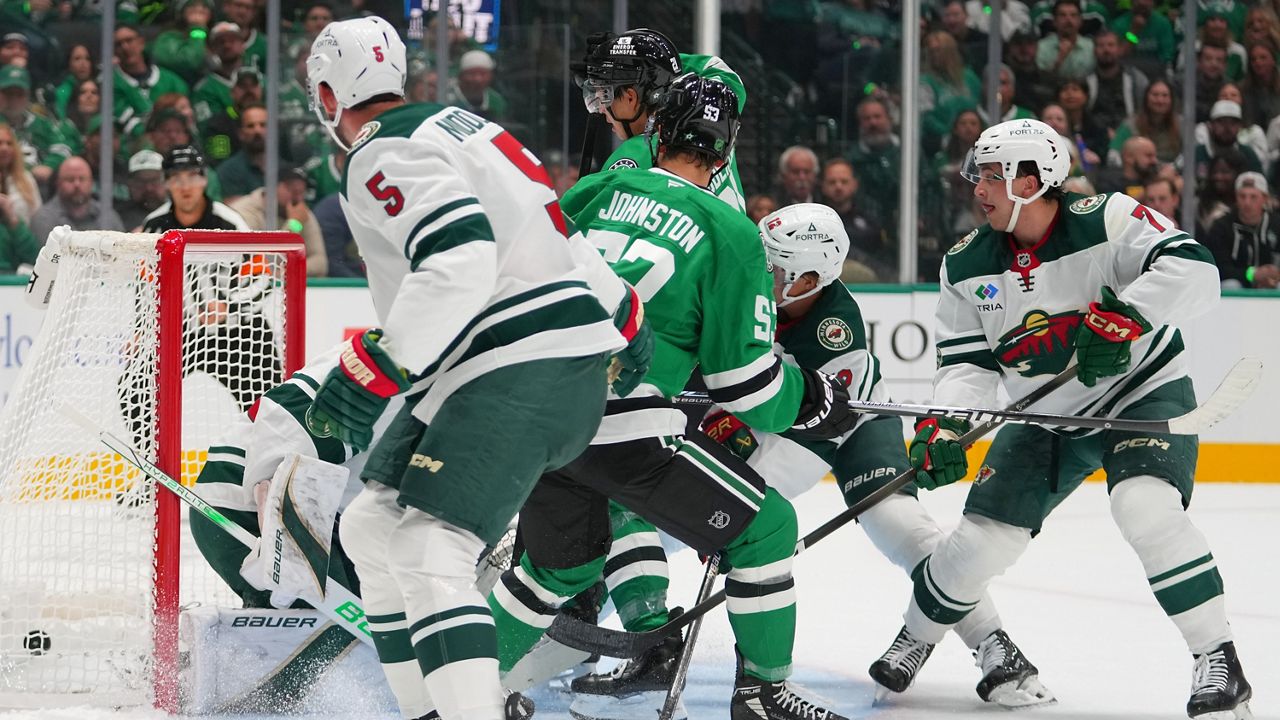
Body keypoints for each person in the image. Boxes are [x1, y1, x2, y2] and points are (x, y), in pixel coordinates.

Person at [491, 73, 856, 720]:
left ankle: (459, 691)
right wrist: (811, 398)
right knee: (768, 528)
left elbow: (519, 278)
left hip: (536, 407)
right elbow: (746, 385)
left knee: (558, 569)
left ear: (657, 131)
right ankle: (763, 694)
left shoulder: (597, 189)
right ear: (725, 151)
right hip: (620, 427)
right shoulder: (731, 232)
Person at [305, 17, 640, 720]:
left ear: (329, 94)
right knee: (371, 529)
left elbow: (459, 257)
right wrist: (622, 314)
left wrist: (377, 365)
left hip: (515, 361)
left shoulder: (378, 150)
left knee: (430, 549)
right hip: (527, 360)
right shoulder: (470, 128)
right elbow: (559, 234)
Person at [868, 118, 1254, 720]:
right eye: (978, 175)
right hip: (1045, 415)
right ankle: (916, 636)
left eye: (992, 176)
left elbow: (1195, 268)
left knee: (1145, 509)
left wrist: (1130, 315)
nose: (978, 189)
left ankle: (1218, 658)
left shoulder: (1107, 218)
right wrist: (945, 426)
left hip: (1140, 394)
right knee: (976, 544)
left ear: (1032, 180)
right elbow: (967, 363)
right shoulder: (966, 264)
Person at [710, 202, 1050, 708]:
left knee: (896, 525)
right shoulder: (748, 288)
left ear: (809, 280)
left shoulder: (834, 333)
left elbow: (800, 435)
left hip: (844, 424)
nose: (761, 271)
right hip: (783, 413)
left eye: (774, 266)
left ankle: (993, 644)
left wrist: (729, 511)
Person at [576, 28, 749, 212]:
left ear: (630, 98)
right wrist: (635, 59)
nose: (601, 109)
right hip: (734, 228)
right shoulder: (712, 111)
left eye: (605, 95)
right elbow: (715, 68)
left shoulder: (633, 156)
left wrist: (623, 59)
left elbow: (585, 220)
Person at [228, 163, 328, 276]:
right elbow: (261, 261)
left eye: (302, 192)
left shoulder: (300, 212)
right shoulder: (246, 211)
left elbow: (320, 262)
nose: (298, 198)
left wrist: (285, 272)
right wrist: (294, 225)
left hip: (284, 278)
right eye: (293, 191)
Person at [142, 144, 248, 233]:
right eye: (176, 178)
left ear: (205, 179)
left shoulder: (231, 224)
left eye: (192, 177)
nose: (185, 187)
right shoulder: (153, 224)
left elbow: (253, 252)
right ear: (166, 183)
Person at [1202, 171, 1280, 288]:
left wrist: (1274, 274)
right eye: (1242, 196)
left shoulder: (1276, 225)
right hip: (1238, 283)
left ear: (1265, 198)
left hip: (1272, 283)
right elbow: (1218, 268)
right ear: (1236, 197)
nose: (1247, 202)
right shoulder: (1221, 227)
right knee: (1230, 285)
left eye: (1253, 197)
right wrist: (1252, 274)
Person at [29, 156, 124, 245]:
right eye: (70, 179)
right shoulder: (43, 219)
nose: (77, 184)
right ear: (58, 183)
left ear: (91, 183)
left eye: (82, 179)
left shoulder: (108, 216)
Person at [117, 149, 169, 231]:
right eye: (141, 181)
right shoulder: (118, 216)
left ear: (167, 181)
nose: (149, 188)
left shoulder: (179, 213)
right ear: (130, 184)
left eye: (154, 180)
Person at [0, 122, 40, 225]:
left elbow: (38, 216)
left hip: (23, 233)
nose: (5, 148)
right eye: (0, 143)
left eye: (9, 143)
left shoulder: (26, 178)